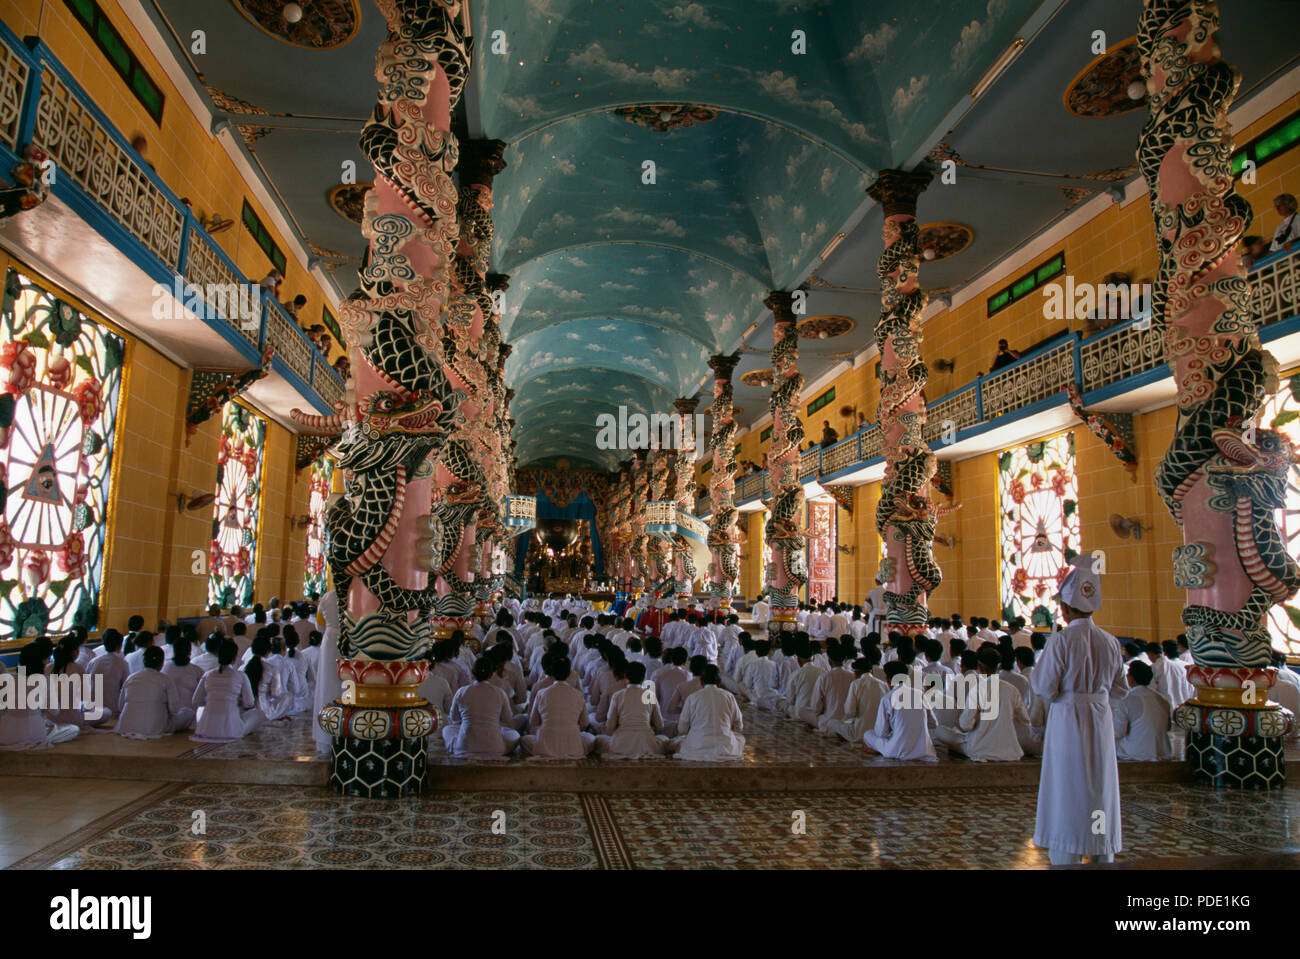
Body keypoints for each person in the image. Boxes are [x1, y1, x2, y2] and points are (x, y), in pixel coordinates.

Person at [1031, 552, 1127, 865]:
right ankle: (1103, 852)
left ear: (1065, 608)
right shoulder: (1110, 641)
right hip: (1100, 718)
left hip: (1068, 718)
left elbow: (1045, 687)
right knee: (1099, 784)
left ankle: (1066, 854)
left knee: (1067, 785)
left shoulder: (1060, 641)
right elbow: (1120, 689)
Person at [933, 646, 1029, 761]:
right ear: (999, 666)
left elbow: (966, 725)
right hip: (1009, 749)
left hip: (979, 749)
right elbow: (1025, 720)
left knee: (939, 731)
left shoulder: (978, 689)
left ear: (979, 667)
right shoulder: (1011, 689)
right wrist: (1004, 723)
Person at [0, 645, 81, 749]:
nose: (47, 662)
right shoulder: (45, 680)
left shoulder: (9, 679)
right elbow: (54, 711)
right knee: (73, 729)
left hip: (5, 733)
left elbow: (4, 707)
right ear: (41, 661)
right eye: (46, 659)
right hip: (34, 733)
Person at [442, 657, 520, 759]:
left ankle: (460, 747)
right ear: (492, 674)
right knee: (514, 734)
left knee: (447, 730)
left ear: (472, 672)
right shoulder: (499, 692)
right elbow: (508, 720)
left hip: (465, 747)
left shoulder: (462, 692)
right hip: (494, 747)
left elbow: (454, 718)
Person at [863, 661, 937, 761]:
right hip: (924, 750)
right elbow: (933, 724)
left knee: (868, 734)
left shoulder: (887, 698)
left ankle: (879, 749)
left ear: (888, 680)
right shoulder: (920, 694)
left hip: (897, 750)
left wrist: (897, 731)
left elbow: (881, 733)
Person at [521, 658, 594, 760]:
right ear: (569, 673)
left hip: (545, 747)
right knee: (590, 739)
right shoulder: (578, 694)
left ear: (552, 672)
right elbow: (585, 723)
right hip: (573, 747)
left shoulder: (542, 693)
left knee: (524, 740)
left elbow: (534, 721)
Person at [192, 639, 263, 742]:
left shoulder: (208, 674)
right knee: (258, 714)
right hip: (230, 730)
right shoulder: (240, 676)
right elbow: (249, 703)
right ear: (235, 658)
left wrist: (212, 701)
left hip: (206, 729)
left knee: (200, 709)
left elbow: (196, 701)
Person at [116, 647, 194, 738]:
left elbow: (120, 706)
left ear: (144, 662)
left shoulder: (131, 678)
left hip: (126, 726)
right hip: (155, 728)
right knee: (188, 713)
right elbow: (174, 710)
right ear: (161, 663)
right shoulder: (165, 679)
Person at [597, 661, 668, 758]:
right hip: (647, 744)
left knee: (598, 740)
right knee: (664, 739)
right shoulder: (649, 695)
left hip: (621, 744)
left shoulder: (618, 695)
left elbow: (609, 727)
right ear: (644, 677)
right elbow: (660, 725)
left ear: (625, 676)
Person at [673, 665, 744, 761]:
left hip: (697, 746)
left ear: (701, 681)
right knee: (740, 739)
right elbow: (739, 726)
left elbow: (682, 729)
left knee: (679, 741)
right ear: (719, 682)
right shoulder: (729, 696)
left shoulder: (693, 697)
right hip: (725, 747)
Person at [1112, 661, 1175, 761]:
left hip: (1137, 753)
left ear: (1132, 679)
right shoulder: (1162, 699)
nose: (1127, 677)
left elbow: (1119, 732)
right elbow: (1168, 727)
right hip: (1163, 751)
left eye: (1128, 674)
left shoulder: (1127, 700)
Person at [312, 589, 341, 753]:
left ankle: (325, 740)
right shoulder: (355, 592)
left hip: (329, 642)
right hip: (351, 641)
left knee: (326, 687)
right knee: (347, 686)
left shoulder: (328, 597)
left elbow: (319, 626)